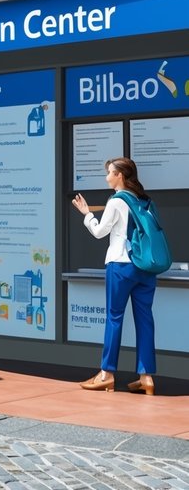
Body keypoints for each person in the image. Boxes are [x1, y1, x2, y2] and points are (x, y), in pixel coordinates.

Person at [71, 157, 158, 395]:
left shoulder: (117, 200)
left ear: (120, 175)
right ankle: (146, 377)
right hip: (146, 268)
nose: (107, 176)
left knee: (114, 318)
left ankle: (106, 374)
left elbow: (100, 232)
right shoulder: (144, 200)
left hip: (121, 265)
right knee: (145, 321)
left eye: (110, 172)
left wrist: (87, 214)